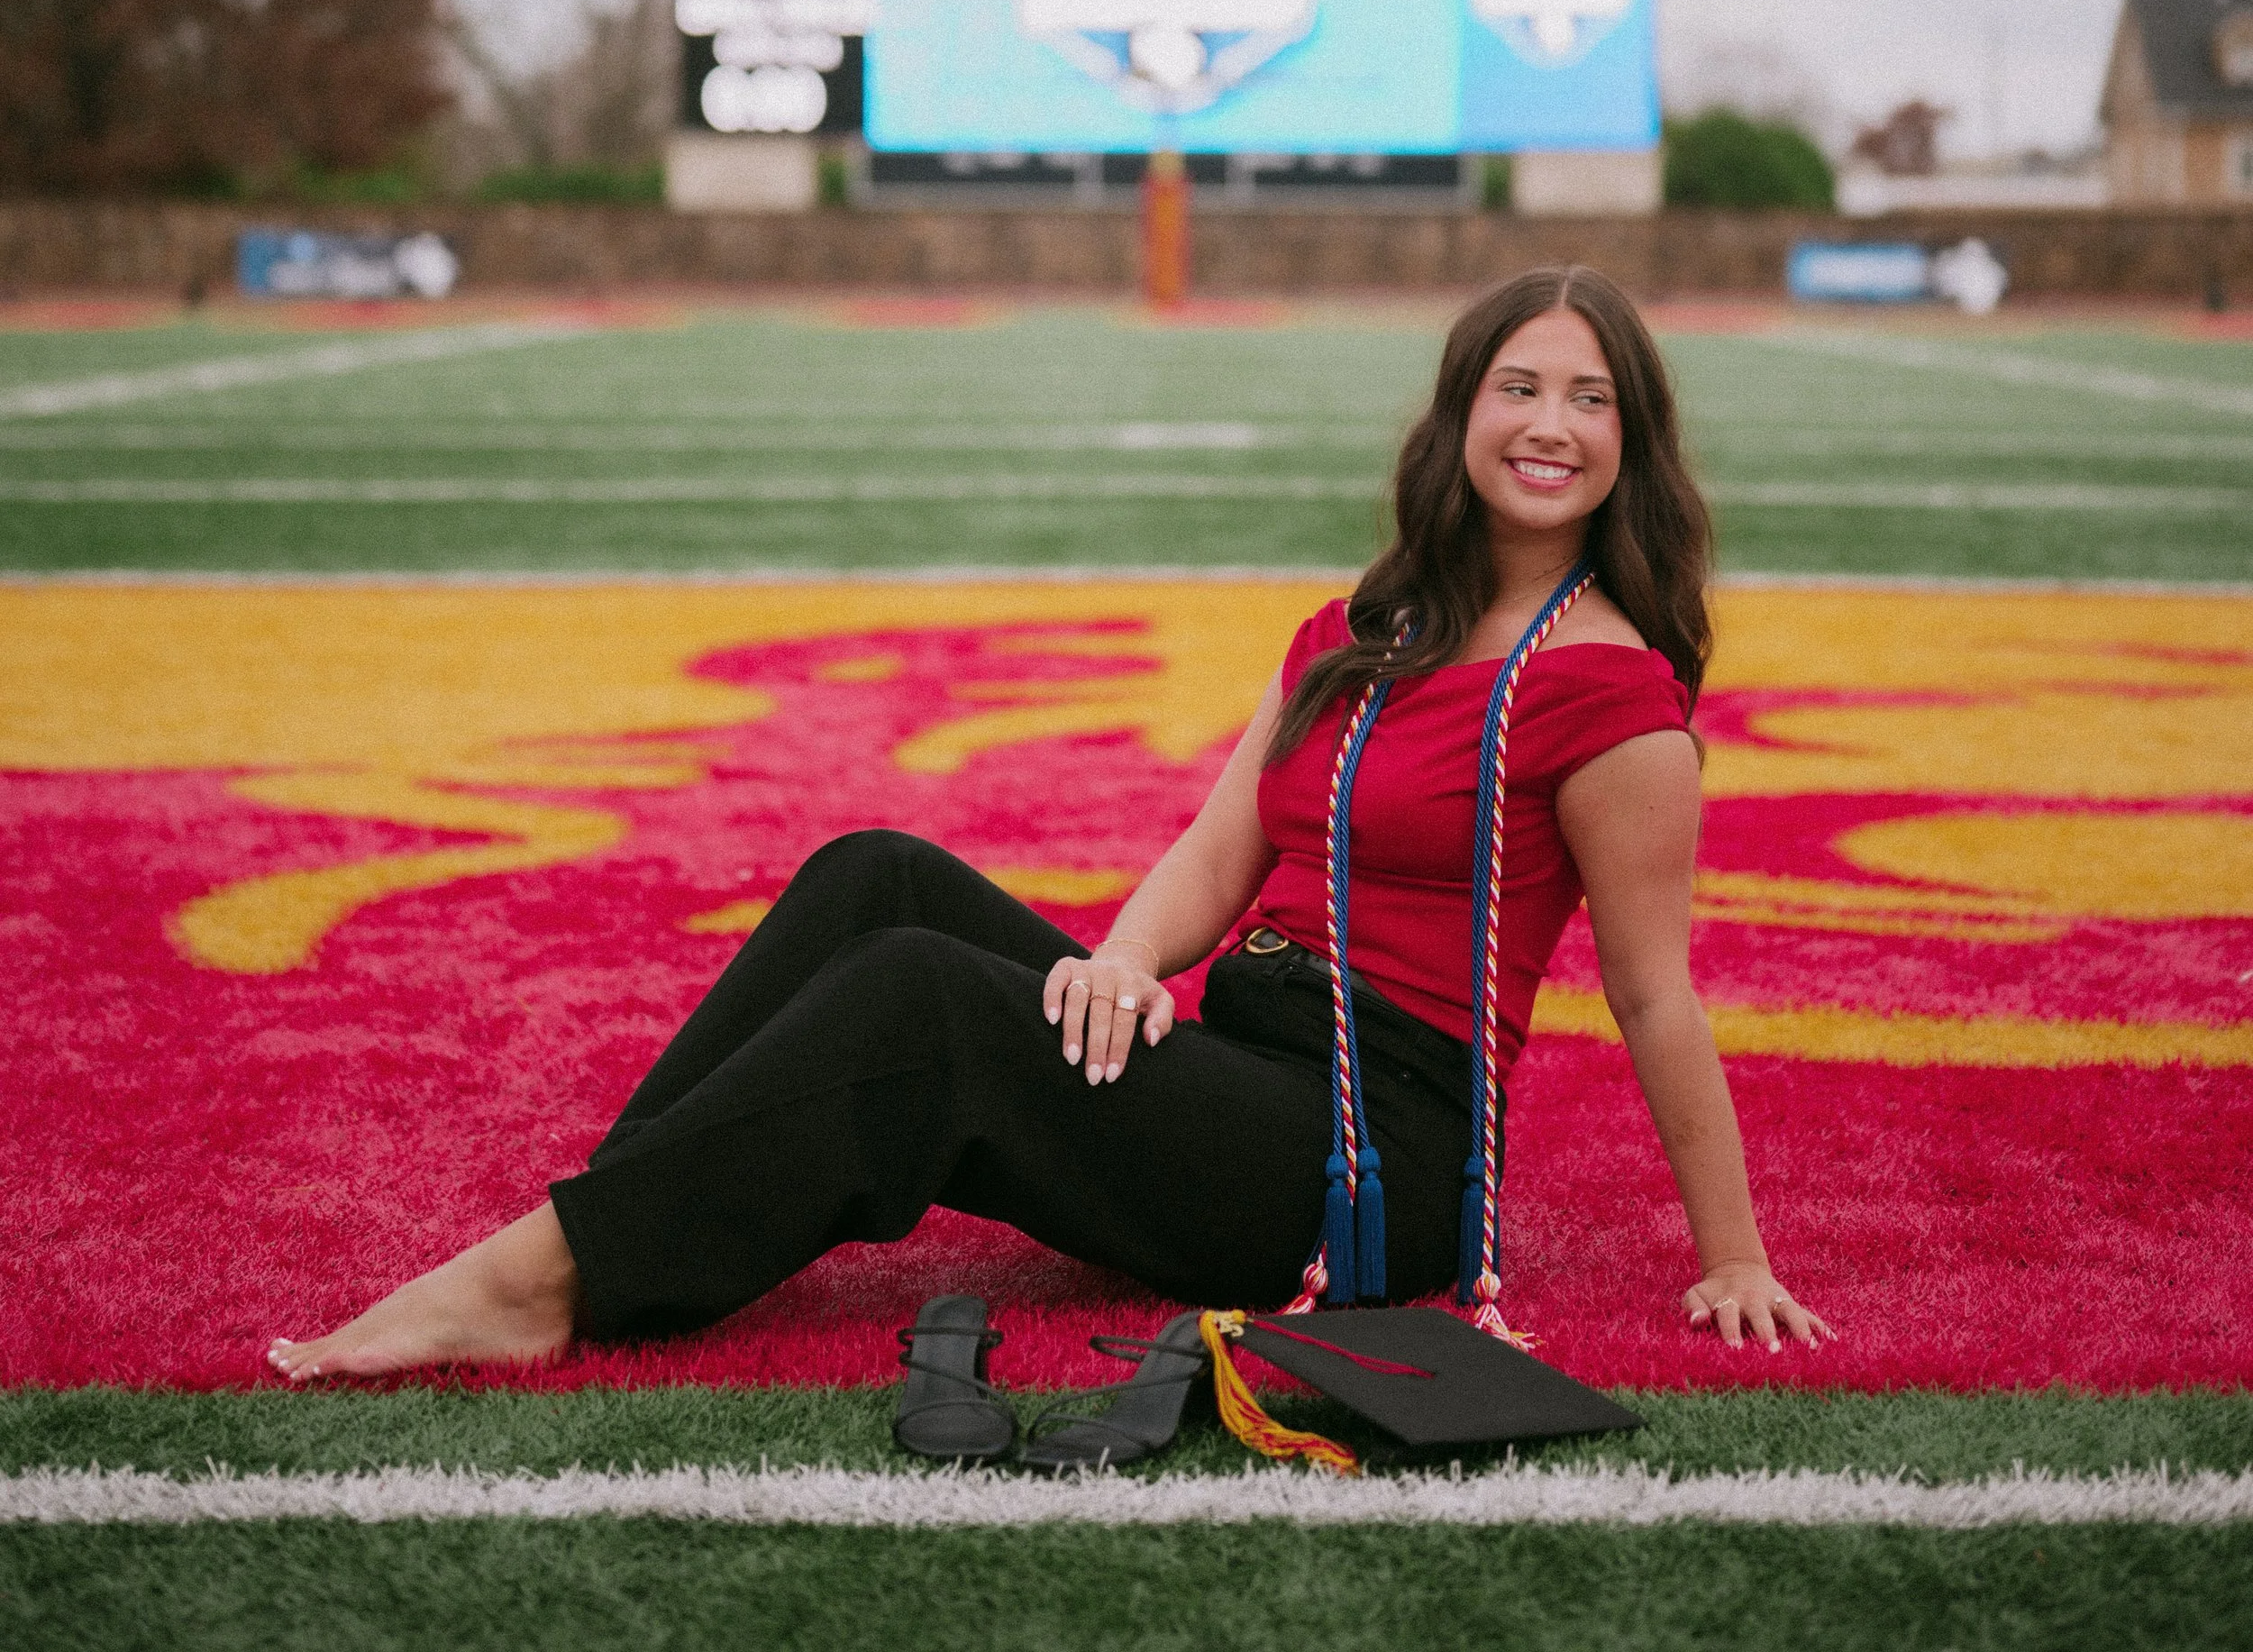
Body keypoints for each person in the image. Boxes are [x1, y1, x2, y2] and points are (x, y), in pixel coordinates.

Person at [270, 265, 1829, 1380]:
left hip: (1372, 1155)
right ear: (1460, 412)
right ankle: (621, 1215)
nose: (1549, 421)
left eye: (1591, 397)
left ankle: (544, 1287)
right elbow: (1223, 851)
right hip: (1246, 1050)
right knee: (874, 878)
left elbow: (1654, 993)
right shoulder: (1369, 627)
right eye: (1519, 384)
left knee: (926, 1007)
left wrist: (1736, 1253)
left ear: (1632, 444)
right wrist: (1123, 960)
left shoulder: (1615, 697)